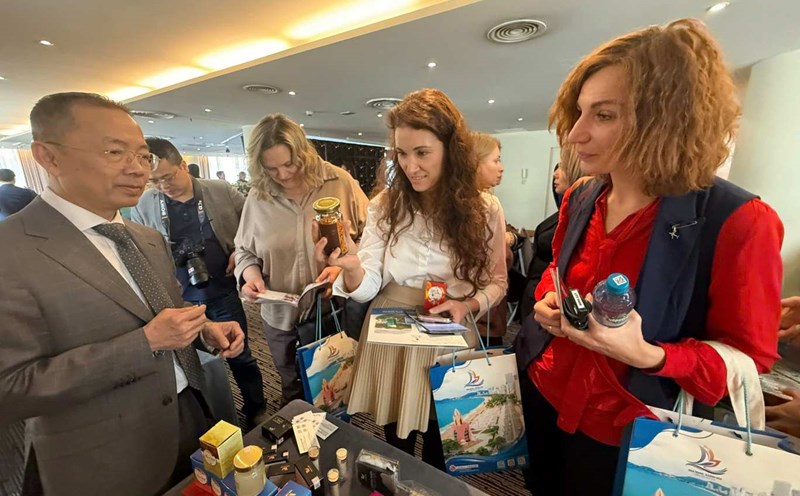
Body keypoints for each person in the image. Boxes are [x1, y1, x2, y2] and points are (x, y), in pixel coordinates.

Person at [514, 19, 784, 495]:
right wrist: (547, 303)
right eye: (579, 112)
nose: (575, 134)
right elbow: (556, 271)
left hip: (634, 432)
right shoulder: (581, 196)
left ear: (667, 117)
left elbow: (747, 362)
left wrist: (650, 354)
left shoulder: (739, 219)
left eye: (604, 115)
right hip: (544, 394)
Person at [0, 92, 245, 495]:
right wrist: (144, 343)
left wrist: (203, 328)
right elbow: (11, 388)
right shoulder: (11, 251)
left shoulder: (145, 237)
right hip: (105, 457)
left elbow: (166, 307)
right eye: (115, 152)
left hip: (194, 420)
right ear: (48, 157)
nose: (137, 170)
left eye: (143, 156)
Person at [319, 88, 508, 466]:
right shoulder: (385, 205)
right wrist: (353, 267)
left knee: (444, 439)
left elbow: (498, 282)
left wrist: (468, 303)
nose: (410, 166)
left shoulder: (483, 207)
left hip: (449, 325)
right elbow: (369, 282)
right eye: (401, 154)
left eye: (422, 152)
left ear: (449, 149)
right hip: (391, 324)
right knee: (395, 439)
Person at [131, 137, 266, 429]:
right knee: (194, 362)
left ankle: (257, 408)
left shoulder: (219, 191)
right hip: (178, 297)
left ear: (183, 165)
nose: (163, 185)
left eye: (167, 176)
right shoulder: (146, 204)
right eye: (154, 181)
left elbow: (255, 225)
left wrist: (239, 252)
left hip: (221, 290)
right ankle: (210, 415)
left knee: (238, 354)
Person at [235, 113, 369, 405]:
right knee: (291, 387)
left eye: (289, 164)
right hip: (280, 317)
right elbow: (244, 250)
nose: (283, 175)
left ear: (303, 153)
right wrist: (251, 276)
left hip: (331, 310)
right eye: (272, 169)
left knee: (335, 385)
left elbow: (373, 241)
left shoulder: (339, 182)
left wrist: (341, 269)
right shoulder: (259, 196)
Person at [517, 148, 584, 321]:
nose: (554, 174)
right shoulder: (564, 211)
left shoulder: (580, 215)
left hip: (550, 295)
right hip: (540, 289)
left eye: (561, 167)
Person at [472, 131, 512, 346]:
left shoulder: (489, 202)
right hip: (482, 310)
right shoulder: (488, 204)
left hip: (481, 307)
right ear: (475, 162)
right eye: (496, 160)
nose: (501, 167)